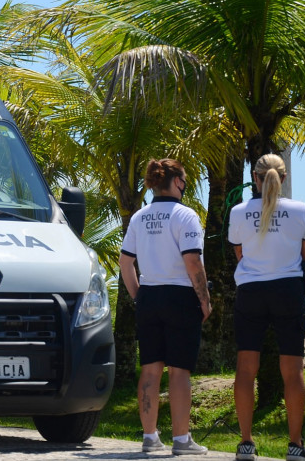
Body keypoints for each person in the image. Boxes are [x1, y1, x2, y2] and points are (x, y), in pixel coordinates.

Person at [120, 158, 212, 455]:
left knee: (150, 369)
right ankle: (182, 440)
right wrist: (204, 299)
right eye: (184, 180)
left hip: (149, 296)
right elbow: (193, 261)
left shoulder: (139, 217)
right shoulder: (186, 215)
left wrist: (139, 297)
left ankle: (150, 437)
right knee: (179, 371)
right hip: (180, 297)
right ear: (176, 182)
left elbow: (125, 262)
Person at [228, 153, 305, 461]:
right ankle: (295, 445)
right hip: (288, 291)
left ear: (255, 177)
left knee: (245, 368)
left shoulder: (239, 212)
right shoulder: (300, 210)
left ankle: (246, 443)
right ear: (284, 177)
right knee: (292, 371)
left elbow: (239, 254)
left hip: (251, 291)